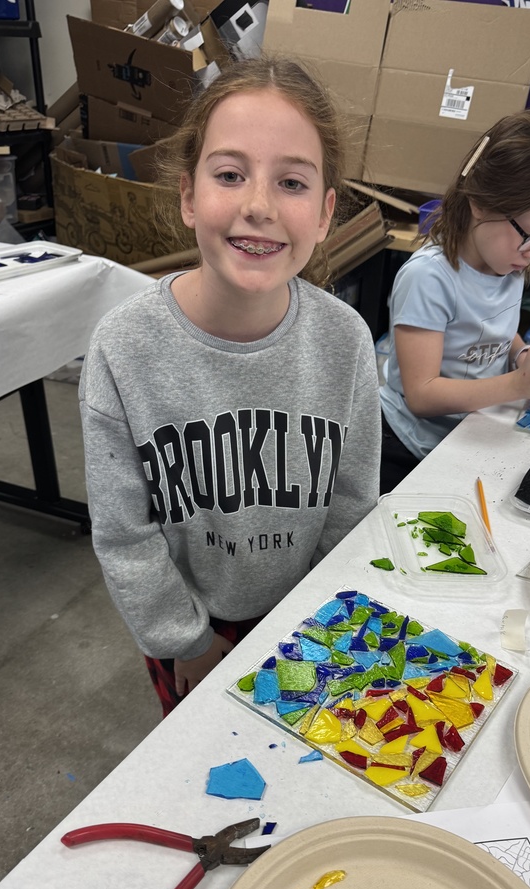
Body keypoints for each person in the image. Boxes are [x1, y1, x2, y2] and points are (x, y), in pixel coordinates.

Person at [79, 58, 381, 717]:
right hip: (190, 629)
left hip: (310, 618)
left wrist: (318, 620)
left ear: (325, 213)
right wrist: (184, 640)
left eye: (292, 182)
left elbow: (353, 505)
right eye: (229, 174)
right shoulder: (124, 348)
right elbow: (125, 534)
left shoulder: (346, 342)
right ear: (188, 196)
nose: (258, 206)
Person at [379, 109, 530, 495]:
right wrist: (519, 384)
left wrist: (522, 354)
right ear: (480, 203)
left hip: (469, 433)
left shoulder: (507, 261)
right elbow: (422, 395)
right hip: (409, 445)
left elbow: (492, 329)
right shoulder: (429, 278)